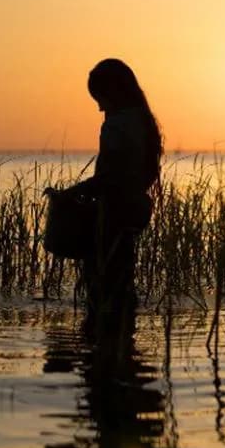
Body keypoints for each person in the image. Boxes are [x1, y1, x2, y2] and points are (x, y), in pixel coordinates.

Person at [69, 58, 162, 342]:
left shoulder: (116, 125)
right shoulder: (144, 121)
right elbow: (145, 174)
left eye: (100, 99)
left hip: (113, 215)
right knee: (122, 285)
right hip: (135, 210)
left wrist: (72, 193)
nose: (99, 107)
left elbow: (108, 177)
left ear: (114, 93)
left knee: (102, 289)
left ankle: (104, 353)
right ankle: (123, 351)